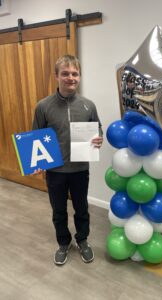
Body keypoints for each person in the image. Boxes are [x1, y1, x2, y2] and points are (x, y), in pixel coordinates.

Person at [32, 54, 103, 265]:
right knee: (58, 211)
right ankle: (63, 243)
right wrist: (36, 163)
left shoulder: (88, 105)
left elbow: (98, 127)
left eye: (75, 73)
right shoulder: (43, 106)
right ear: (56, 76)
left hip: (80, 169)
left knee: (82, 209)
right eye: (65, 73)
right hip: (55, 171)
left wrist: (98, 138)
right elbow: (36, 136)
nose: (70, 77)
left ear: (79, 76)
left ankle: (82, 240)